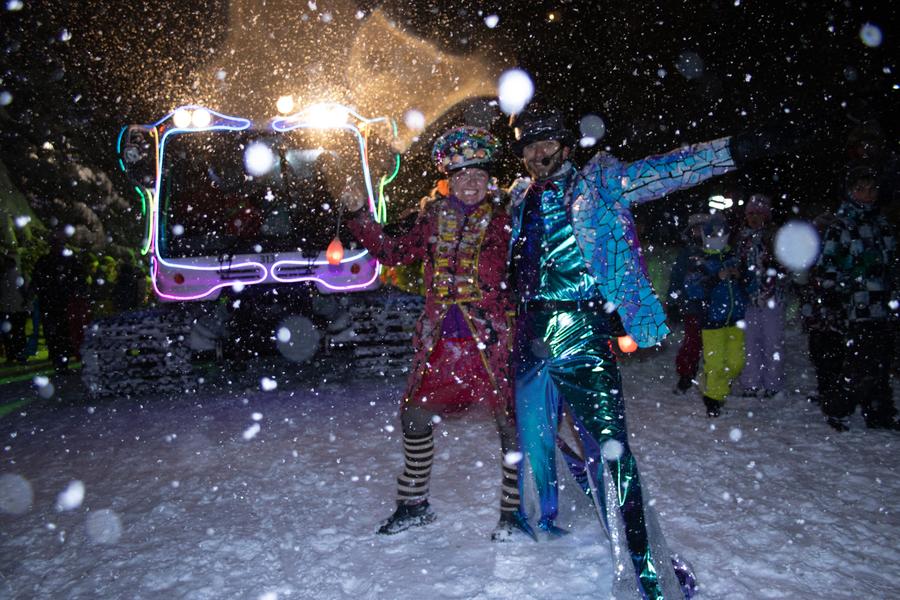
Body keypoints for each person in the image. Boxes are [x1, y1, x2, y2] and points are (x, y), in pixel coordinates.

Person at [507, 104, 773, 598]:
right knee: (534, 437)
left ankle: (646, 571)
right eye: (530, 145)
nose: (539, 152)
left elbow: (667, 171)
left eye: (548, 143)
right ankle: (544, 516)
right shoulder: (518, 198)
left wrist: (733, 150)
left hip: (582, 328)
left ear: (566, 146)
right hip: (528, 331)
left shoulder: (599, 185)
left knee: (611, 451)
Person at [341, 126, 531, 540]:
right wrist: (359, 217)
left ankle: (513, 514)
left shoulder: (507, 222)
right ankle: (414, 505)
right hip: (441, 343)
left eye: (478, 175)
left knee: (510, 425)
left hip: (492, 342)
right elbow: (394, 252)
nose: (470, 183)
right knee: (414, 419)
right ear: (448, 178)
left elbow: (530, 269)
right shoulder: (431, 219)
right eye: (462, 176)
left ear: (489, 180)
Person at [812, 164, 898, 431]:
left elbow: (891, 263)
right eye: (861, 190)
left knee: (881, 362)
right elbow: (828, 266)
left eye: (871, 190)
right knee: (861, 361)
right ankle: (838, 406)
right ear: (850, 192)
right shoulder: (842, 225)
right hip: (857, 304)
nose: (867, 195)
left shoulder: (882, 224)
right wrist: (836, 294)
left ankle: (879, 410)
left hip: (883, 303)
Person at [686, 213, 752, 416]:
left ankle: (712, 384)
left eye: (720, 233)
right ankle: (713, 399)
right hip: (712, 321)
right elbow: (692, 289)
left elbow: (752, 285)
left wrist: (742, 278)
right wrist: (716, 277)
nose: (716, 237)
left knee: (736, 362)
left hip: (736, 319)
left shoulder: (736, 259)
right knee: (715, 362)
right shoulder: (700, 260)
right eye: (712, 233)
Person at [736, 193, 787, 397]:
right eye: (751, 214)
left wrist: (772, 270)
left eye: (759, 213)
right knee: (750, 343)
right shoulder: (742, 238)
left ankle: (773, 383)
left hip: (772, 298)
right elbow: (737, 264)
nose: (754, 218)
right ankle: (751, 382)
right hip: (749, 299)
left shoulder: (774, 237)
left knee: (772, 341)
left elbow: (784, 265)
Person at [31, 230, 88, 373]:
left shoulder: (49, 262)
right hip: (58, 303)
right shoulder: (59, 262)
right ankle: (62, 360)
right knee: (62, 333)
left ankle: (62, 360)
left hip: (59, 303)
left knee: (61, 333)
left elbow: (37, 281)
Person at [668, 213, 709, 394]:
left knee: (712, 344)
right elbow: (676, 277)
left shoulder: (715, 252)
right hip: (692, 305)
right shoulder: (686, 253)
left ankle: (713, 378)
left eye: (702, 228)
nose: (698, 232)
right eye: (695, 229)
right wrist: (673, 302)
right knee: (692, 342)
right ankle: (686, 374)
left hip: (713, 307)